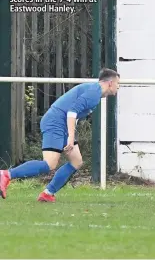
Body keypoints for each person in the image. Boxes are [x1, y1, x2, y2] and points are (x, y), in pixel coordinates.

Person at [0, 68, 121, 202]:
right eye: (117, 84)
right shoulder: (94, 93)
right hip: (55, 122)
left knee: (76, 161)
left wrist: (70, 134)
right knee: (49, 164)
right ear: (110, 83)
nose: (118, 87)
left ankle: (48, 193)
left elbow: (73, 114)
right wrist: (70, 136)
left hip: (61, 124)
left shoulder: (95, 92)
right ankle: (6, 174)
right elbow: (72, 112)